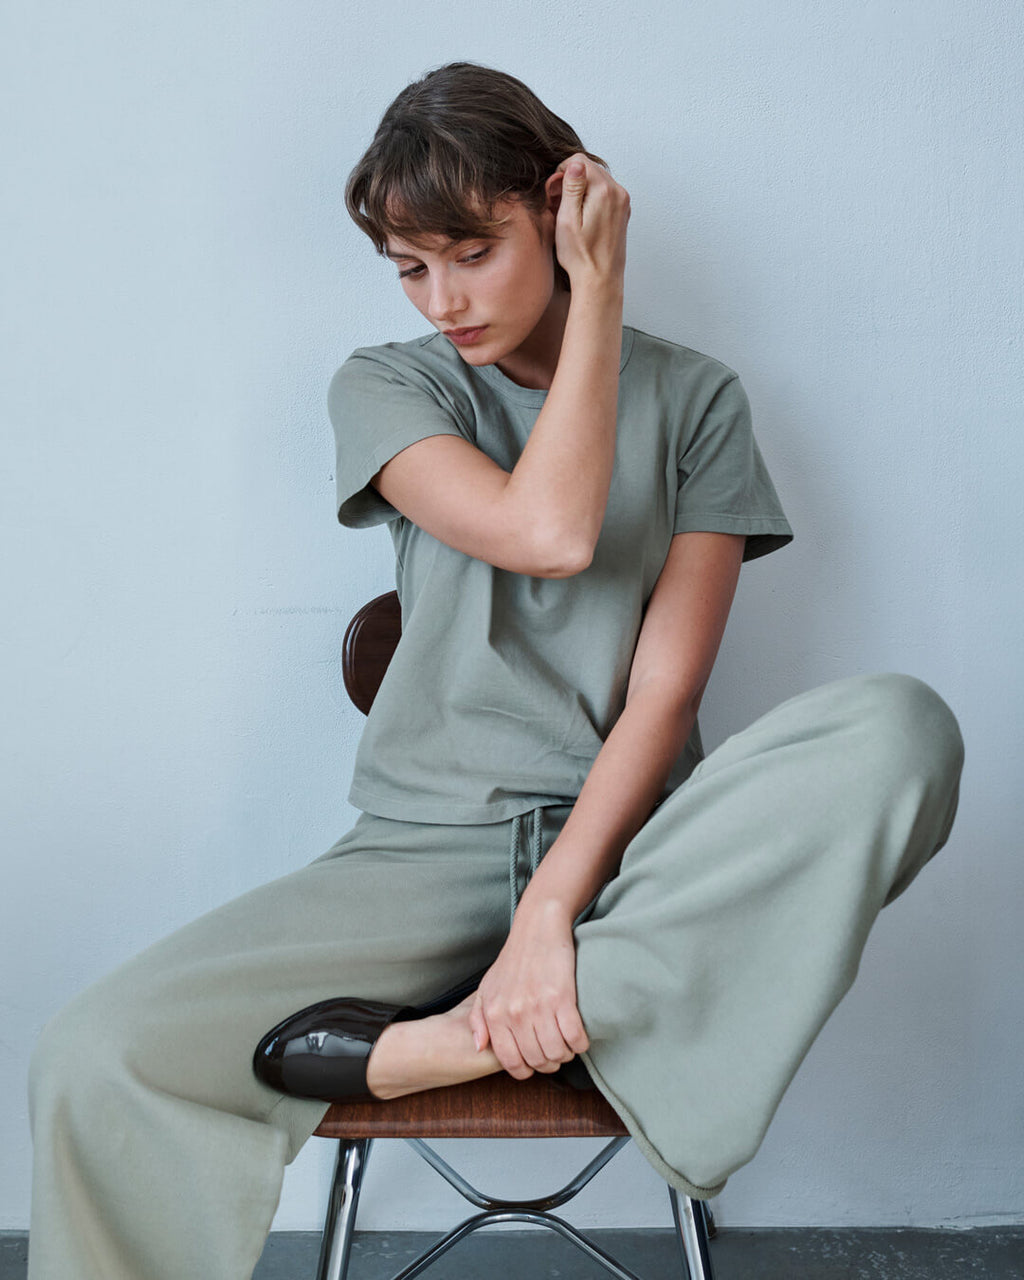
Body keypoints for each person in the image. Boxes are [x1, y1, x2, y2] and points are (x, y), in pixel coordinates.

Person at [26, 60, 965, 1280]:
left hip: (638, 861)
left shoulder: (696, 401)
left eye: (471, 252)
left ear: (561, 216)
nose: (443, 299)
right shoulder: (389, 384)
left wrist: (549, 914)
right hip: (418, 854)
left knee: (900, 727)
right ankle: (574, 1016)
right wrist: (600, 301)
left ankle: (448, 1040)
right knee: (98, 1050)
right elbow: (549, 531)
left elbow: (663, 695)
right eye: (410, 267)